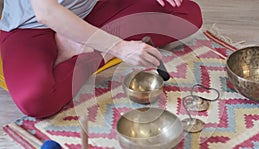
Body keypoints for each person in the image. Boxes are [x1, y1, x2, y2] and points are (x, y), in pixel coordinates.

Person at [0, 0, 202, 118]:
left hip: (94, 9)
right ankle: (93, 45)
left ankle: (87, 45)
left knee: (185, 13)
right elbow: (47, 12)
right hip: (33, 26)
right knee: (36, 100)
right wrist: (119, 47)